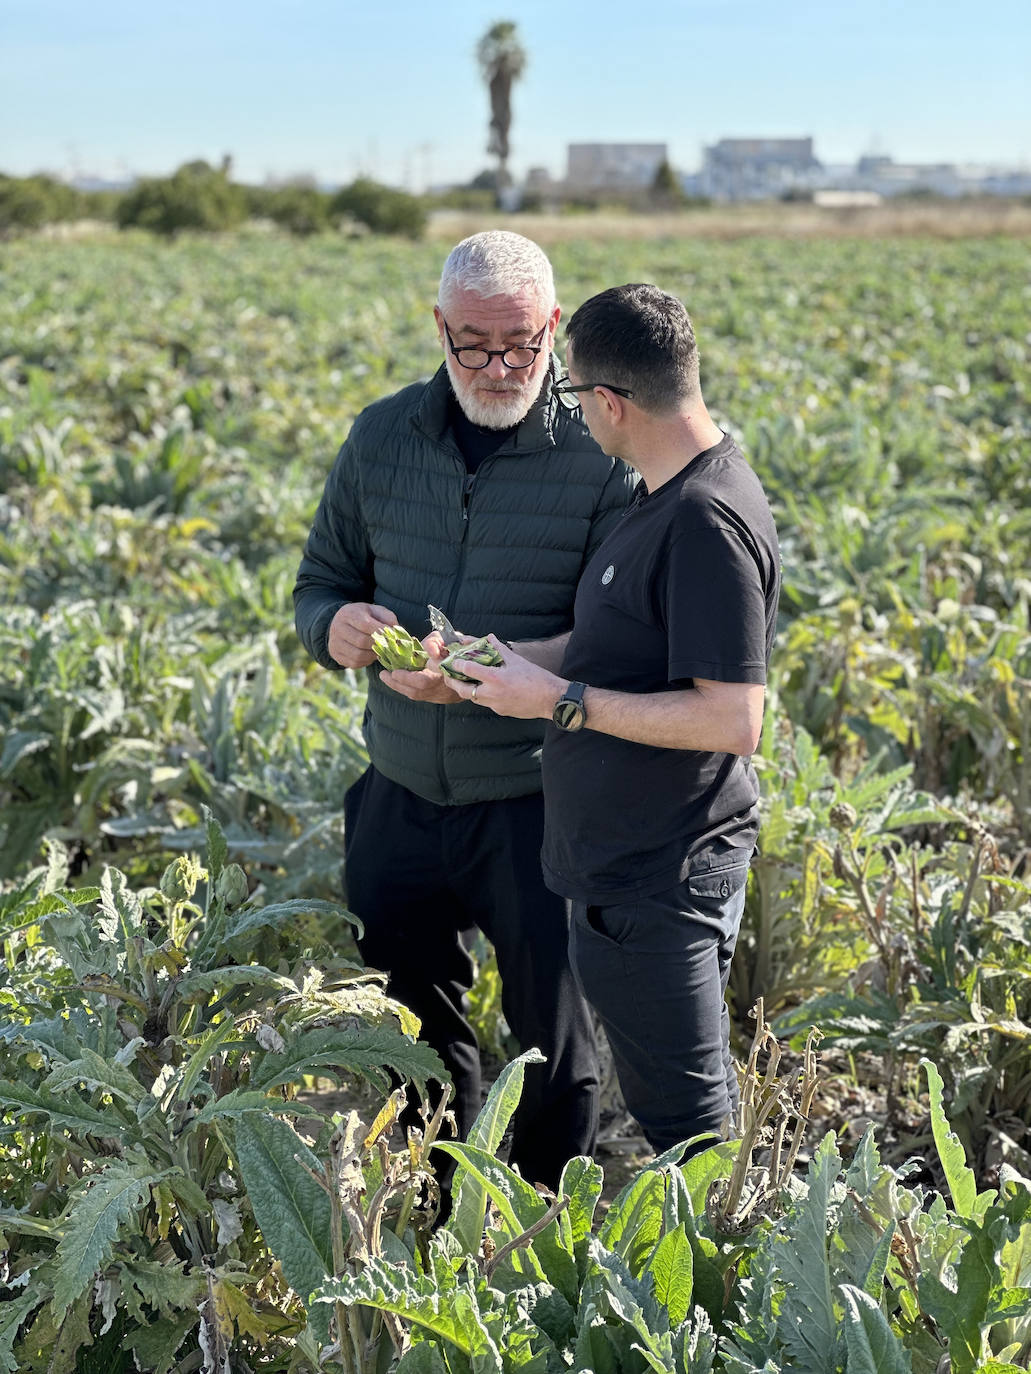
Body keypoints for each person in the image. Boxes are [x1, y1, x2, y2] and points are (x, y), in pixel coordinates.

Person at [293, 232, 636, 1193]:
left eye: (521, 346)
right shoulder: (381, 436)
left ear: (555, 332)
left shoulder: (601, 458)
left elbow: (615, 645)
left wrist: (486, 670)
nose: (497, 367)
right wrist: (339, 628)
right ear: (438, 328)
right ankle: (444, 1206)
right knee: (412, 1032)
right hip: (399, 791)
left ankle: (536, 1232)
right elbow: (319, 582)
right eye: (473, 344)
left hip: (539, 800)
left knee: (555, 1043)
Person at [447, 283, 781, 1156]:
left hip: (657, 881)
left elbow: (732, 719)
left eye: (571, 397)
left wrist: (556, 702)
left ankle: (721, 1279)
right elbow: (619, 649)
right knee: (680, 1111)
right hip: (633, 873)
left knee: (691, 1134)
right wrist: (509, 663)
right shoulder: (667, 493)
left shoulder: (703, 519)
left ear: (606, 401)